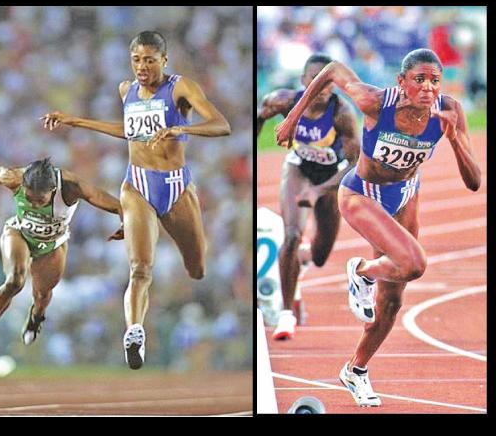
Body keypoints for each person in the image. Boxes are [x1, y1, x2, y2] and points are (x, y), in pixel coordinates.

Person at [276, 48, 480, 407]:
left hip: (405, 196)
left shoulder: (449, 110)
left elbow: (474, 181)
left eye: (435, 80)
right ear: (402, 82)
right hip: (361, 195)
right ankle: (362, 271)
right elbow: (334, 69)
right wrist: (292, 118)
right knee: (415, 263)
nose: (428, 88)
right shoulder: (374, 101)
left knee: (392, 301)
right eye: (419, 79)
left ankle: (356, 370)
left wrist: (455, 140)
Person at [41, 31, 231, 369]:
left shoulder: (180, 87)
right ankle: (134, 331)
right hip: (137, 185)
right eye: (136, 60)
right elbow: (129, 130)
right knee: (140, 268)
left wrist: (181, 130)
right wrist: (75, 121)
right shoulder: (126, 90)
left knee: (197, 268)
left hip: (176, 187)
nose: (142, 67)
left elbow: (221, 124)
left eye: (149, 60)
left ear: (164, 60)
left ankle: (141, 320)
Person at [0, 144, 123, 381]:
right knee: (14, 281)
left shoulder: (71, 186)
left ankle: (36, 317)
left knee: (43, 295)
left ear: (54, 189)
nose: (35, 204)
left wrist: (126, 223)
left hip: (53, 244)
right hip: (19, 233)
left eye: (41, 200)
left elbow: (116, 205)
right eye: (29, 198)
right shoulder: (14, 177)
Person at [256, 54, 360, 340]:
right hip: (298, 170)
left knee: (320, 255)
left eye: (327, 81)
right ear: (303, 81)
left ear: (334, 86)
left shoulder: (342, 114)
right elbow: (259, 116)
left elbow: (355, 165)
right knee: (291, 235)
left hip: (330, 178)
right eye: (314, 78)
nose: (320, 86)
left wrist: (318, 191)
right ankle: (285, 315)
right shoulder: (283, 101)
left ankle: (300, 259)